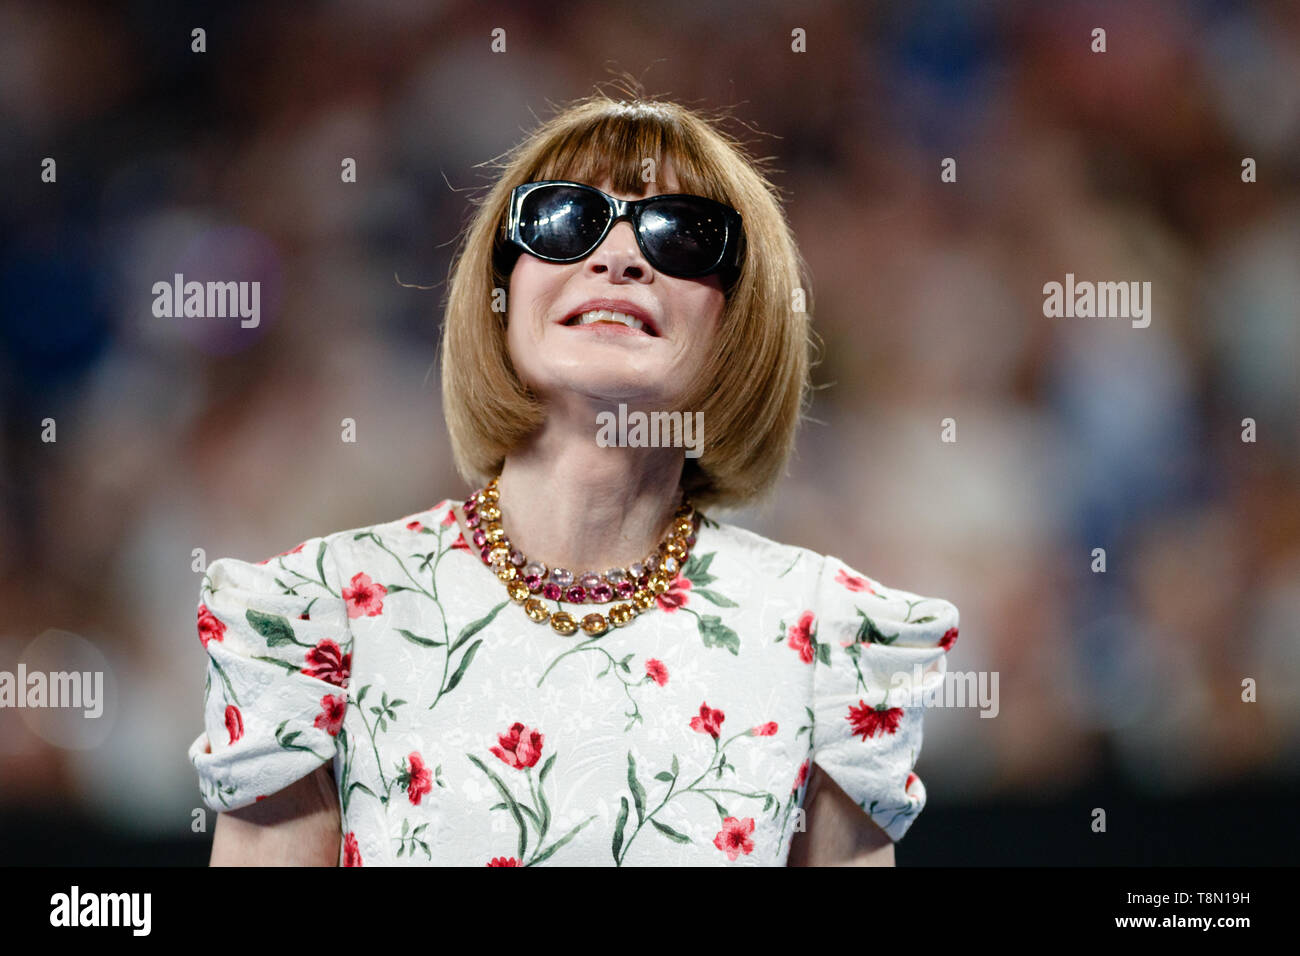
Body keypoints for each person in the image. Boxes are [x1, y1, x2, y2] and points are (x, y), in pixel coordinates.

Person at [188, 91, 960, 866]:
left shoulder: (829, 642)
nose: (618, 257)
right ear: (502, 294)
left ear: (741, 324)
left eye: (682, 234)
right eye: (563, 220)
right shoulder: (319, 618)